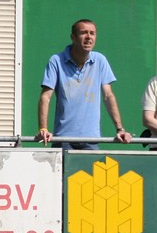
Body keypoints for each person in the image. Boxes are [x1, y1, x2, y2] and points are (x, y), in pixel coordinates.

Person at [36, 19, 132, 149]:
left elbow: (108, 96)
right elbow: (46, 97)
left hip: (91, 139)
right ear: (73, 37)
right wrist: (43, 129)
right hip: (63, 139)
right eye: (83, 33)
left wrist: (120, 129)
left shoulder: (100, 60)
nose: (88, 37)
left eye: (92, 33)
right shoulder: (56, 61)